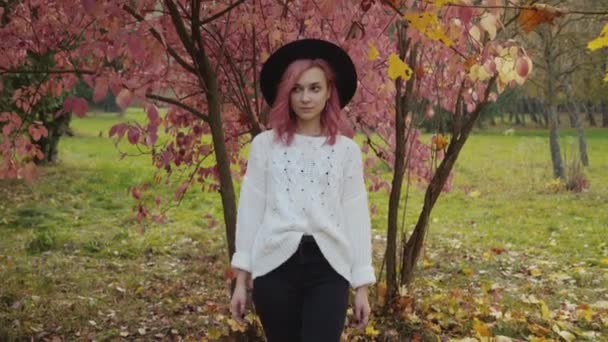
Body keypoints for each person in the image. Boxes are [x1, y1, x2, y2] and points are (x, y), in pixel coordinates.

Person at [229, 38, 376, 341]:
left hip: (329, 267)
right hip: (274, 266)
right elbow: (250, 210)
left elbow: (356, 216)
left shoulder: (346, 151)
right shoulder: (265, 146)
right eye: (296, 89)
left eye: (314, 88)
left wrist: (362, 285)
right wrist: (241, 280)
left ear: (329, 93)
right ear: (286, 94)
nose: (305, 98)